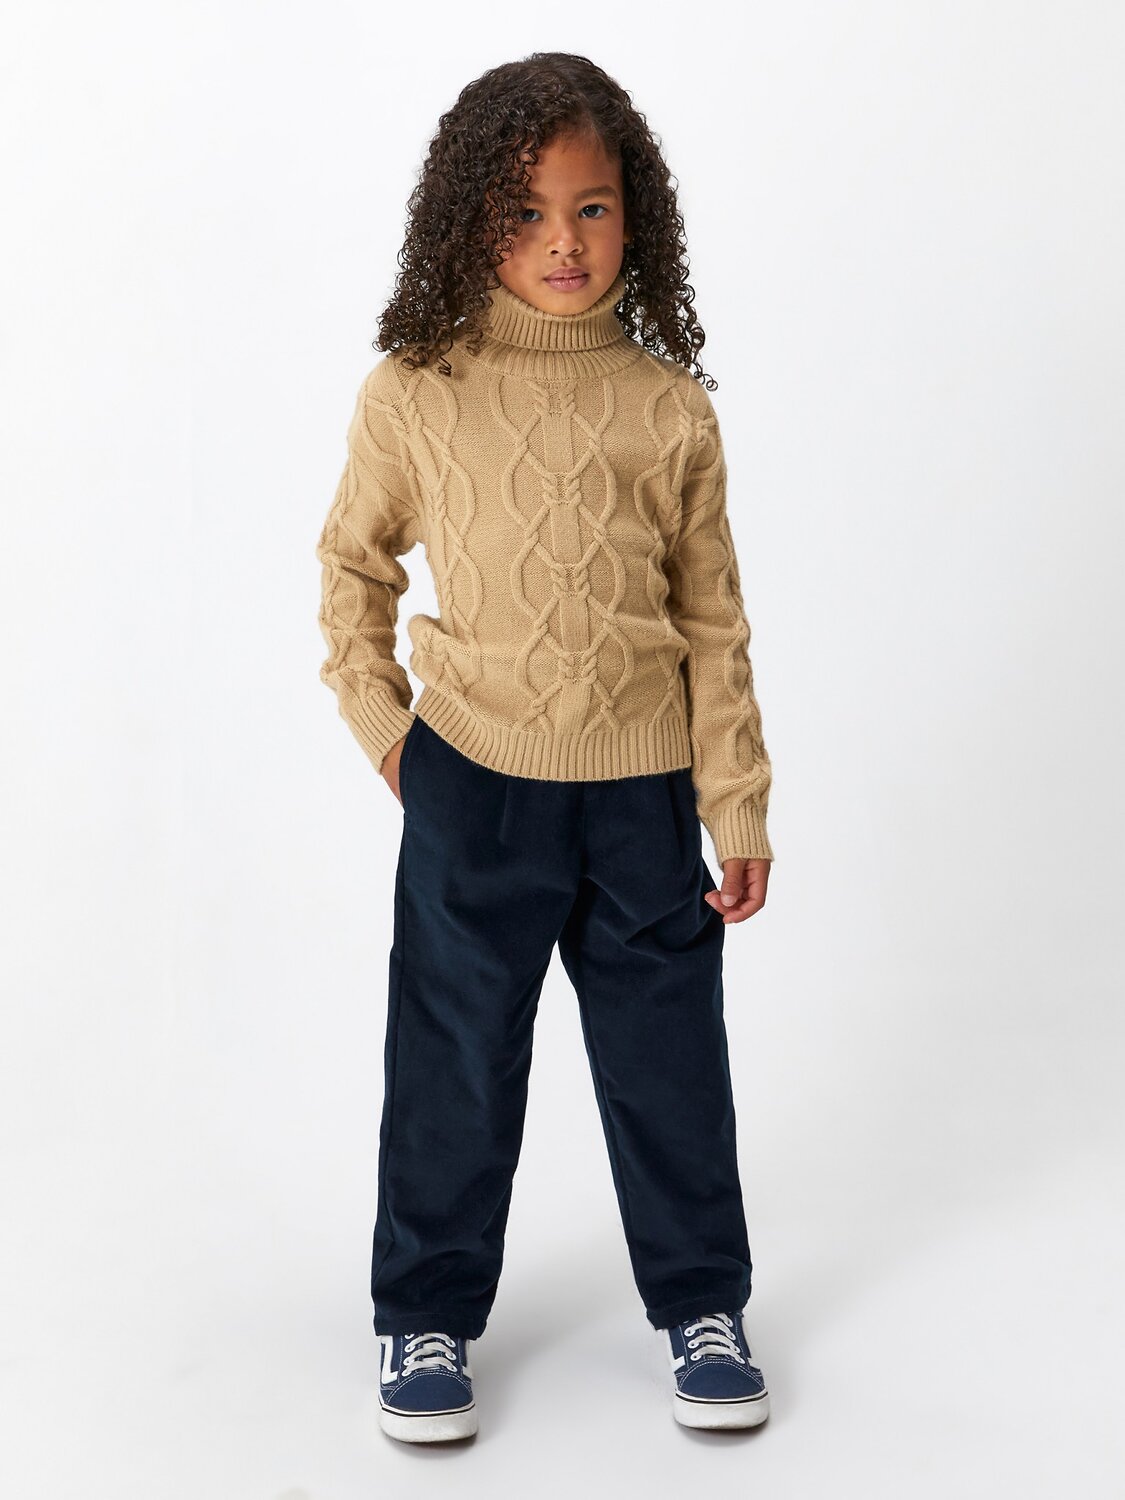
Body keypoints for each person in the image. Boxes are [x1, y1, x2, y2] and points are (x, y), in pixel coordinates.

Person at [315, 51, 776, 1444]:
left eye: (591, 208)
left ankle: (702, 1306)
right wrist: (393, 739)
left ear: (636, 216)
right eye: (523, 213)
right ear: (469, 218)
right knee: (454, 1061)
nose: (562, 242)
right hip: (474, 784)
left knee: (668, 1062)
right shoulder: (415, 391)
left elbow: (713, 621)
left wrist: (736, 802)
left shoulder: (669, 408)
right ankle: (424, 1319)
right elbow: (352, 569)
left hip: (641, 796)